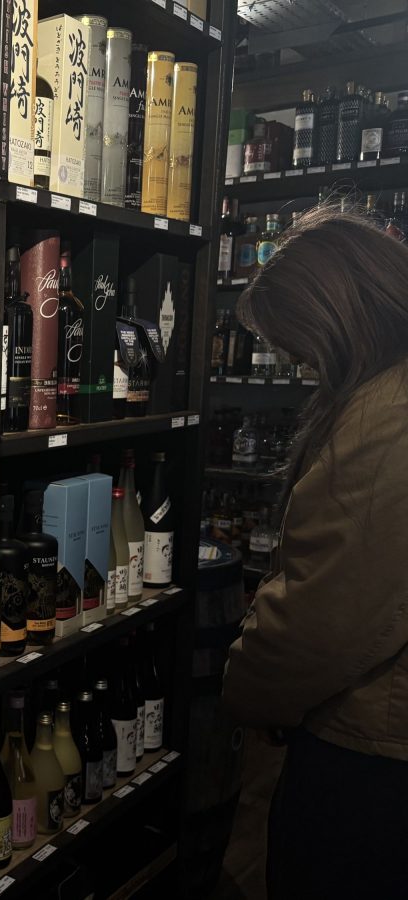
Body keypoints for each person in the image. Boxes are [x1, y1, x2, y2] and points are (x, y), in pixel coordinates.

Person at [222, 203, 408, 899]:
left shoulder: (388, 418)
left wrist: (241, 690)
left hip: (368, 760)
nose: (302, 370)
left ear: (336, 317)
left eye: (299, 349)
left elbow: (322, 623)